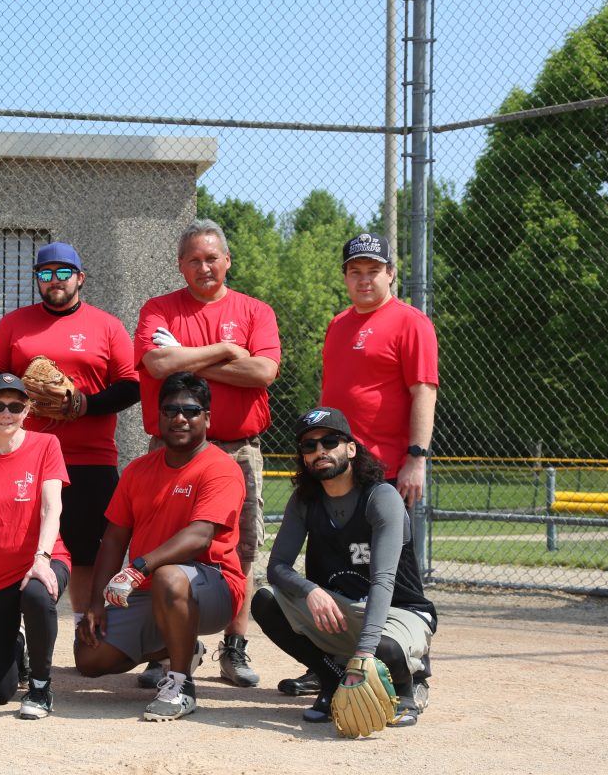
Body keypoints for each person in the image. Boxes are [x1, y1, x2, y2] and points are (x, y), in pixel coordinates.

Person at [283, 233, 438, 698]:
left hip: (384, 469)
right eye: (356, 271)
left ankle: (411, 663)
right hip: (334, 469)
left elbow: (423, 390)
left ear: (391, 274)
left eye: (374, 270)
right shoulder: (338, 324)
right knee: (325, 565)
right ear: (346, 277)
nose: (364, 279)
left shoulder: (411, 323)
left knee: (390, 569)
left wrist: (416, 458)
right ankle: (326, 661)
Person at [133, 219, 279, 688]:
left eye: (212, 258)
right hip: (172, 450)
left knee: (241, 548)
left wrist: (189, 360)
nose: (204, 267)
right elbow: (157, 363)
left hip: (238, 449)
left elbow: (263, 372)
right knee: (162, 546)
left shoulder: (255, 310)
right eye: (194, 260)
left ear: (227, 260)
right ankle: (164, 649)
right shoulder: (159, 309)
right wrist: (225, 350)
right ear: (180, 265)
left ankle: (233, 648)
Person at [0, 242, 139, 627]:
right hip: (26, 456)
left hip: (91, 457)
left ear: (80, 278)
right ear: (37, 279)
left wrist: (86, 404)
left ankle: (84, 625)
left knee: (86, 554)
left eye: (63, 272)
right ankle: (17, 631)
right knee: (19, 547)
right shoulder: (14, 324)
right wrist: (24, 392)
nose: (55, 280)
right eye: (45, 273)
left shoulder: (107, 326)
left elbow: (131, 386)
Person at [75, 372, 246, 721]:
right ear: (159, 417)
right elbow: (114, 539)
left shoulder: (221, 468)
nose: (179, 418)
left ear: (206, 418)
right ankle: (183, 646)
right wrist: (95, 604)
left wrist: (138, 567)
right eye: (170, 410)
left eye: (191, 410)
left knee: (169, 576)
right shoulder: (138, 470)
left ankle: (181, 685)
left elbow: (200, 535)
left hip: (213, 585)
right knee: (90, 658)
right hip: (150, 589)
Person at [252, 407, 437, 727]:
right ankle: (331, 680)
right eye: (309, 445)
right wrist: (310, 591)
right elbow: (277, 567)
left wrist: (363, 654)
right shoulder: (305, 501)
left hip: (399, 610)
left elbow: (383, 580)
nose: (319, 451)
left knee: (384, 647)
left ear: (351, 448)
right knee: (265, 600)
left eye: (329, 442)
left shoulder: (381, 497)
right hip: (342, 609)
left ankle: (407, 689)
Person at [0, 374, 71, 719]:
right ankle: (17, 645)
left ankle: (40, 686)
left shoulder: (46, 444)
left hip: (41, 560)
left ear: (27, 410)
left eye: (16, 406)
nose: (6, 413)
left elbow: (52, 507)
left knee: (37, 594)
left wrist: (42, 558)